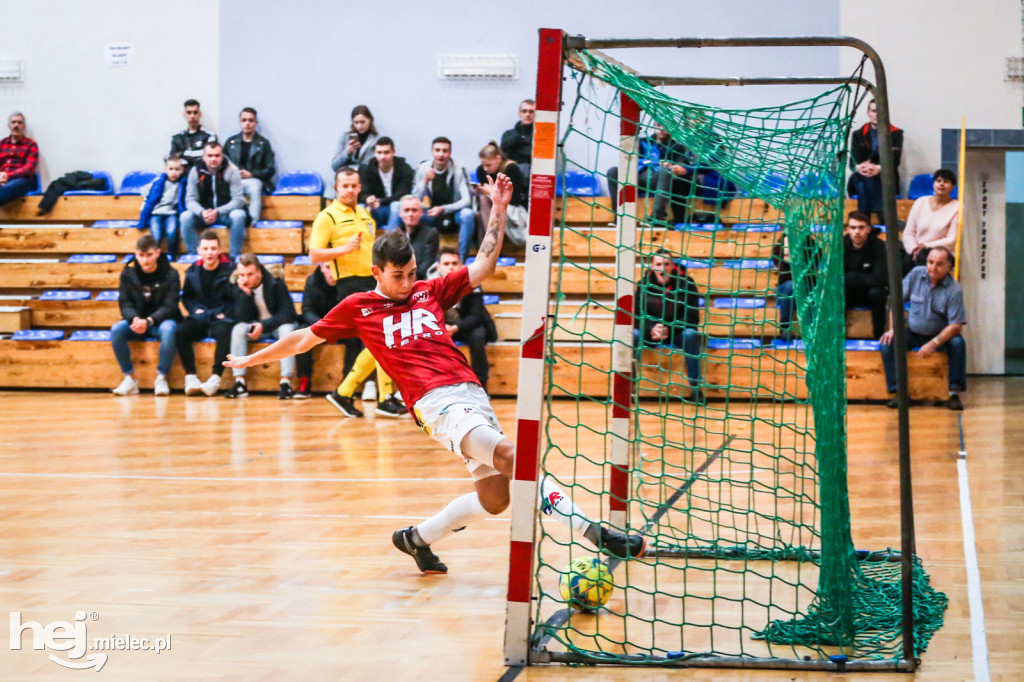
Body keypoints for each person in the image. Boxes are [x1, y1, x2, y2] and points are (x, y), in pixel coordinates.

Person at [224, 173, 646, 575]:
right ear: (376, 273)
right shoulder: (359, 307)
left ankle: (416, 539)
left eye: (411, 273)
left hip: (471, 394)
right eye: (398, 276)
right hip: (436, 403)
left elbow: (482, 264)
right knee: (515, 457)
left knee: (495, 498)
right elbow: (302, 338)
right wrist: (249, 360)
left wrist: (497, 207)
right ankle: (597, 534)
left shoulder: (430, 290)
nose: (408, 282)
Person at [309, 167, 377, 382]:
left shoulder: (365, 213)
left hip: (372, 281)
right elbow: (314, 255)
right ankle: (348, 387)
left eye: (353, 186)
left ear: (360, 188)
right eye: (344, 186)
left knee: (375, 337)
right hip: (348, 284)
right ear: (336, 188)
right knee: (358, 338)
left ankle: (368, 389)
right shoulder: (327, 216)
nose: (349, 190)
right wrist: (344, 249)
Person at [879, 246, 967, 411]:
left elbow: (956, 326)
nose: (933, 268)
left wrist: (934, 343)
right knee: (887, 344)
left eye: (939, 264)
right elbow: (895, 301)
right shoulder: (915, 274)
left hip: (941, 334)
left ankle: (954, 393)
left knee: (958, 344)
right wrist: (893, 329)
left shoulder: (954, 290)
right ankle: (899, 392)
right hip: (913, 331)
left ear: (949, 266)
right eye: (930, 262)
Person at [109, 235, 181, 396]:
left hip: (160, 322)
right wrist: (134, 319)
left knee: (169, 329)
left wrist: (149, 321)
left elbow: (170, 305)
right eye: (141, 256)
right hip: (137, 322)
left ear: (157, 253)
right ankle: (129, 378)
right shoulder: (128, 273)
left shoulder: (171, 273)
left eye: (149, 255)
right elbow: (125, 303)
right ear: (136, 254)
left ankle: (162, 377)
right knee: (116, 330)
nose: (145, 260)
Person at [225, 254, 298, 399]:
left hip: (276, 326)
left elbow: (288, 313)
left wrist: (263, 325)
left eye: (250, 274)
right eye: (242, 275)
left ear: (259, 271)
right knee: (238, 329)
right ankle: (240, 383)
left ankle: (285, 382)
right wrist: (245, 295)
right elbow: (240, 318)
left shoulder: (275, 283)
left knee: (287, 330)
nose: (246, 279)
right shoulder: (237, 285)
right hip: (255, 329)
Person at [634, 250, 703, 401]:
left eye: (666, 264)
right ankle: (630, 388)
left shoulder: (687, 284)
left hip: (677, 333)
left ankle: (696, 389)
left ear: (673, 266)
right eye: (659, 264)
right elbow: (637, 314)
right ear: (652, 267)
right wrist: (651, 328)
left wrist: (669, 329)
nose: (663, 268)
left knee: (691, 335)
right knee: (632, 335)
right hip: (651, 334)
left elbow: (692, 317)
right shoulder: (643, 285)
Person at [176, 230, 236, 397]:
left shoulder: (231, 269)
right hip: (200, 317)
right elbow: (187, 298)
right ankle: (190, 376)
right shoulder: (192, 271)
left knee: (225, 332)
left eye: (213, 248)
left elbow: (236, 297)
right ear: (199, 250)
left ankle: (215, 379)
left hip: (221, 317)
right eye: (206, 248)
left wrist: (225, 313)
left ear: (219, 250)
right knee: (181, 330)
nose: (209, 252)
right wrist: (195, 310)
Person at [433, 247, 497, 391]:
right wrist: (442, 328)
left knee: (477, 335)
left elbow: (476, 316)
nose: (451, 267)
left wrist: (456, 328)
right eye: (446, 263)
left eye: (454, 263)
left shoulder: (472, 282)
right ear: (438, 267)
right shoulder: (432, 285)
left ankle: (481, 385)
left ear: (461, 266)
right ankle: (437, 386)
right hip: (444, 327)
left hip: (468, 325)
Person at [607, 126, 694, 223]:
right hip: (636, 176)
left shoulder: (676, 147)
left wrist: (673, 166)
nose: (661, 129)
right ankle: (620, 217)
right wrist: (656, 162)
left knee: (666, 171)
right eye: (658, 125)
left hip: (657, 179)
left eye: (665, 126)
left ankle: (657, 217)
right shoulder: (642, 142)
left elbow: (681, 165)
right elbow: (631, 160)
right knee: (612, 171)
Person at [413, 137, 475, 264]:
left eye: (445, 151)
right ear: (432, 152)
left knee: (467, 214)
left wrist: (444, 209)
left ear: (450, 153)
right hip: (431, 212)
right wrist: (424, 181)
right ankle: (414, 259)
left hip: (454, 212)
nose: (441, 154)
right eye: (437, 150)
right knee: (410, 213)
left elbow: (466, 201)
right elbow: (414, 200)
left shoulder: (459, 169)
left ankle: (461, 261)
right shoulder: (423, 168)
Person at [181, 141, 248, 258]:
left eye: (217, 155)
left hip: (225, 214)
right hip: (204, 214)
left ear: (222, 156)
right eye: (210, 156)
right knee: (185, 217)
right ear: (204, 157)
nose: (213, 159)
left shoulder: (232, 170)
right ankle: (195, 256)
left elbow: (238, 200)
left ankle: (234, 257)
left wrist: (217, 212)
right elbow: (190, 200)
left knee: (239, 215)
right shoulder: (195, 171)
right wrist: (202, 212)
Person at [848, 99, 903, 223]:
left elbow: (895, 161)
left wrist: (878, 168)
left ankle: (863, 218)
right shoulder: (858, 134)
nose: (877, 114)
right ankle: (883, 216)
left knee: (864, 184)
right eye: (874, 111)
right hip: (861, 176)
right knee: (864, 181)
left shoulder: (896, 134)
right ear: (868, 113)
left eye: (880, 111)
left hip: (885, 178)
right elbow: (852, 162)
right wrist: (860, 168)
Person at [223, 107, 277, 224]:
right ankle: (227, 218)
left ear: (255, 123)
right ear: (240, 122)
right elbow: (222, 163)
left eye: (250, 120)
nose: (247, 123)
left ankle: (253, 220)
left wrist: (251, 174)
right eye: (244, 120)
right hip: (233, 179)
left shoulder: (263, 144)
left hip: (253, 179)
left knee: (254, 187)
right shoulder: (230, 142)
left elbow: (270, 169)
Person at [294, 262, 339, 399]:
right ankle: (304, 382)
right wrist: (322, 326)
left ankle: (346, 386)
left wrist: (336, 328)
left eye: (334, 267)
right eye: (327, 267)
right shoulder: (312, 280)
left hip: (341, 327)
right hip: (319, 325)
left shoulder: (346, 282)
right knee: (300, 333)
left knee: (356, 337)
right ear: (321, 268)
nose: (331, 272)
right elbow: (307, 310)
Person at [901, 169, 960, 273]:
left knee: (924, 262)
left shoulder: (957, 207)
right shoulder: (921, 202)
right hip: (916, 251)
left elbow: (951, 239)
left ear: (952, 187)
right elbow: (908, 233)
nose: (941, 184)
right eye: (938, 180)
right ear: (933, 184)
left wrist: (926, 246)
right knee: (900, 263)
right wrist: (914, 249)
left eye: (946, 182)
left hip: (941, 252)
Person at [474, 142, 528, 251]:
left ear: (498, 159)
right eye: (483, 165)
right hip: (491, 209)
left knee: (484, 200)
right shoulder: (481, 170)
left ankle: (490, 246)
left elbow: (515, 199)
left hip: (513, 209)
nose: (485, 168)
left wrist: (492, 193)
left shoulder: (511, 169)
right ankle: (488, 245)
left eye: (488, 165)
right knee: (479, 208)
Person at [843, 210, 888, 338]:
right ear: (848, 230)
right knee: (838, 292)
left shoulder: (879, 247)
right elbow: (835, 278)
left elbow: (880, 279)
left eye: (861, 227)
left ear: (868, 229)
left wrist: (851, 277)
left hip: (870, 294)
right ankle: (837, 335)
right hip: (849, 292)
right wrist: (865, 278)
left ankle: (879, 336)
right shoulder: (840, 245)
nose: (857, 231)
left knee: (877, 293)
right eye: (853, 227)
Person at [358, 136, 414, 230]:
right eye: (379, 153)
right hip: (376, 209)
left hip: (398, 211)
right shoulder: (366, 169)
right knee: (360, 208)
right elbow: (362, 191)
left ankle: (390, 242)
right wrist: (367, 199)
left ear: (393, 152)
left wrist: (381, 201)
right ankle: (366, 242)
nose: (382, 156)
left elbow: (402, 194)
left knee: (396, 205)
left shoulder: (404, 168)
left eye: (386, 152)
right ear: (375, 153)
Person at [137, 155, 187, 258]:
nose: (174, 172)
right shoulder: (158, 183)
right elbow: (149, 200)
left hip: (171, 213)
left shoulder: (183, 184)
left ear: (182, 170)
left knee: (171, 231)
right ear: (165, 170)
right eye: (171, 169)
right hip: (156, 213)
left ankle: (171, 255)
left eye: (177, 169)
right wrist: (142, 221)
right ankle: (155, 257)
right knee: (156, 234)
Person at [772, 231, 818, 339]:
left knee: (806, 290)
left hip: (806, 290)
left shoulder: (810, 246)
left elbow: (813, 269)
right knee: (791, 286)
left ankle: (811, 329)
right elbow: (782, 268)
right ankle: (785, 327)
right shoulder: (780, 246)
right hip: (784, 291)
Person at [0, 112, 39, 206]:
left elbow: (29, 169)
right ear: (9, 125)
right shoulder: (2, 143)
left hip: (21, 180)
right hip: (2, 179)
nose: (16, 125)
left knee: (8, 188)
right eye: (13, 122)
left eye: (19, 123)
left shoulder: (31, 144)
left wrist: (7, 175)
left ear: (24, 126)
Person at [169, 99, 217, 174]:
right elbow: (172, 160)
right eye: (189, 112)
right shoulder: (177, 138)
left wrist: (184, 154)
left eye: (195, 112)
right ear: (184, 114)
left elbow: (208, 158)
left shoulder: (209, 135)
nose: (192, 116)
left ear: (200, 114)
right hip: (182, 177)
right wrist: (199, 153)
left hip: (203, 175)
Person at [397, 195, 439, 282]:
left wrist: (410, 279)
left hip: (420, 282)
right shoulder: (394, 235)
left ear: (421, 212)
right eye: (406, 210)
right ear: (400, 213)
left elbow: (428, 262)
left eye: (414, 210)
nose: (410, 214)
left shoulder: (431, 234)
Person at [331, 105, 379, 171]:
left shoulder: (376, 139)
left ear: (370, 120)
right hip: (346, 176)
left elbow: (377, 166)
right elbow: (334, 166)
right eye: (356, 122)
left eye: (362, 122)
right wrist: (348, 152)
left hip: (366, 176)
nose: (359, 126)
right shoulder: (345, 137)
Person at [500, 98, 534, 175]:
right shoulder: (508, 134)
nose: (527, 114)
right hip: (510, 170)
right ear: (519, 113)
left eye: (531, 111)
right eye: (524, 111)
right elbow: (503, 155)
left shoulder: (541, 135)